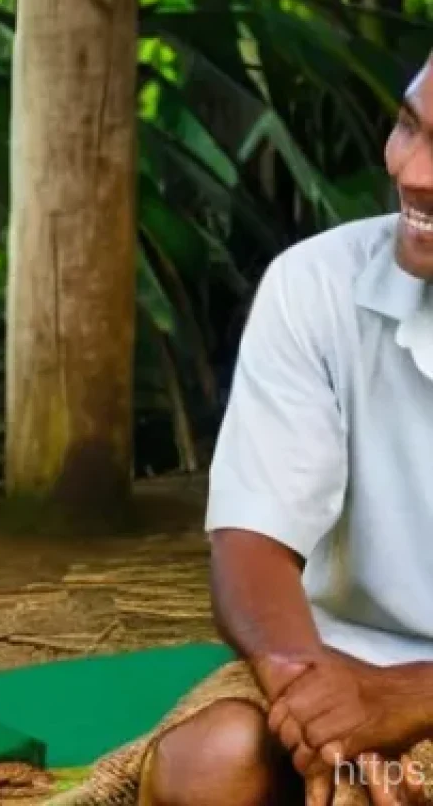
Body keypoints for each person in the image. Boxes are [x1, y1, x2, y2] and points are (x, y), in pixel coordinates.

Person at [54, 58, 433, 806]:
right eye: (409, 126)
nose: (413, 171)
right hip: (343, 659)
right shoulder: (318, 284)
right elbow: (251, 540)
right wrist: (310, 696)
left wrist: (415, 698)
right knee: (212, 766)